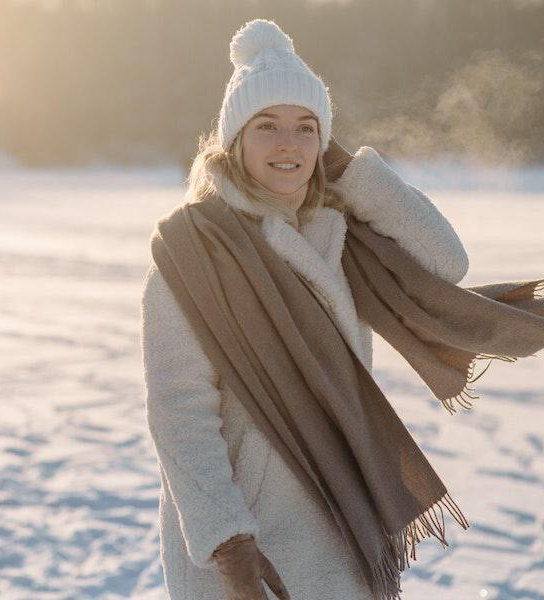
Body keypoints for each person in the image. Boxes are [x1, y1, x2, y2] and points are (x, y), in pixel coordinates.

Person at [140, 19, 472, 600]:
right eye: (266, 127)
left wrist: (347, 167)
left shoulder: (339, 234)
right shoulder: (192, 252)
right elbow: (180, 412)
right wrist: (229, 543)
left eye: (305, 128)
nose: (287, 144)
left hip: (341, 521)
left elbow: (447, 262)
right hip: (250, 546)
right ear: (234, 139)